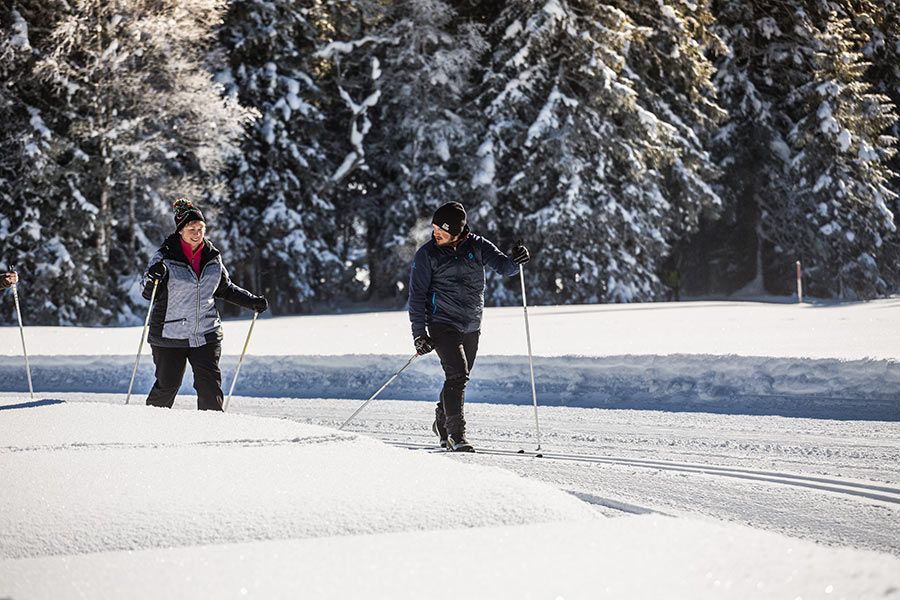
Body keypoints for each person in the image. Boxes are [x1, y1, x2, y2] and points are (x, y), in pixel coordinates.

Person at [408, 202, 530, 451]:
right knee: (457, 374)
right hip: (442, 322)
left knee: (459, 377)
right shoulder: (427, 254)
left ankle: (441, 423)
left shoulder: (478, 245)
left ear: (457, 230)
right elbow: (417, 296)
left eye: (441, 229)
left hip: (471, 323)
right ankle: (456, 435)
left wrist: (516, 259)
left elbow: (505, 267)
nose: (435, 233)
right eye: (433, 228)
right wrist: (419, 334)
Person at [142, 198, 268, 411]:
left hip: (206, 332)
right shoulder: (165, 257)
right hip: (170, 334)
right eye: (192, 228)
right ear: (181, 230)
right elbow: (147, 292)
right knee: (168, 386)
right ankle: (149, 428)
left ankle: (212, 433)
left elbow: (224, 288)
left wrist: (251, 301)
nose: (197, 233)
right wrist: (152, 279)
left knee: (210, 387)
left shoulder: (212, 257)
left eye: (200, 228)